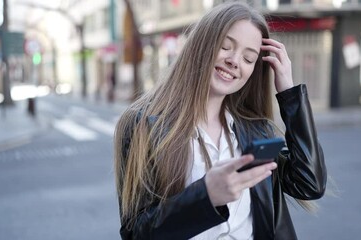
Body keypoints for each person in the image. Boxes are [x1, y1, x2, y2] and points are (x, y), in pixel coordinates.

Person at [114, 2, 326, 239]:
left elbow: (309, 184)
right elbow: (135, 232)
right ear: (201, 45)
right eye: (226, 46)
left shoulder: (256, 130)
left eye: (248, 59)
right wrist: (205, 196)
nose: (235, 61)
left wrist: (289, 94)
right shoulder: (143, 125)